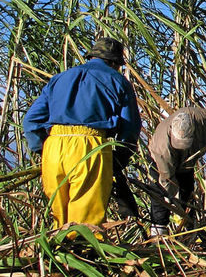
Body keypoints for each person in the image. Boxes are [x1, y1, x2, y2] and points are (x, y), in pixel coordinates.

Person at [23, 37, 142, 227]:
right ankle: (82, 252)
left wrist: (42, 149)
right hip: (89, 146)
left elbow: (30, 121)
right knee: (85, 221)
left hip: (54, 147)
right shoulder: (117, 80)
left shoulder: (59, 78)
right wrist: (119, 158)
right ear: (114, 62)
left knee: (59, 218)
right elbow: (130, 127)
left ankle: (59, 252)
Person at [148, 106, 206, 236]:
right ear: (171, 133)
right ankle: (158, 233)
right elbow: (167, 180)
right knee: (160, 195)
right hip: (161, 165)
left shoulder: (205, 120)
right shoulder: (161, 149)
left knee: (187, 192)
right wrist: (173, 202)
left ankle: (188, 229)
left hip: (187, 163)